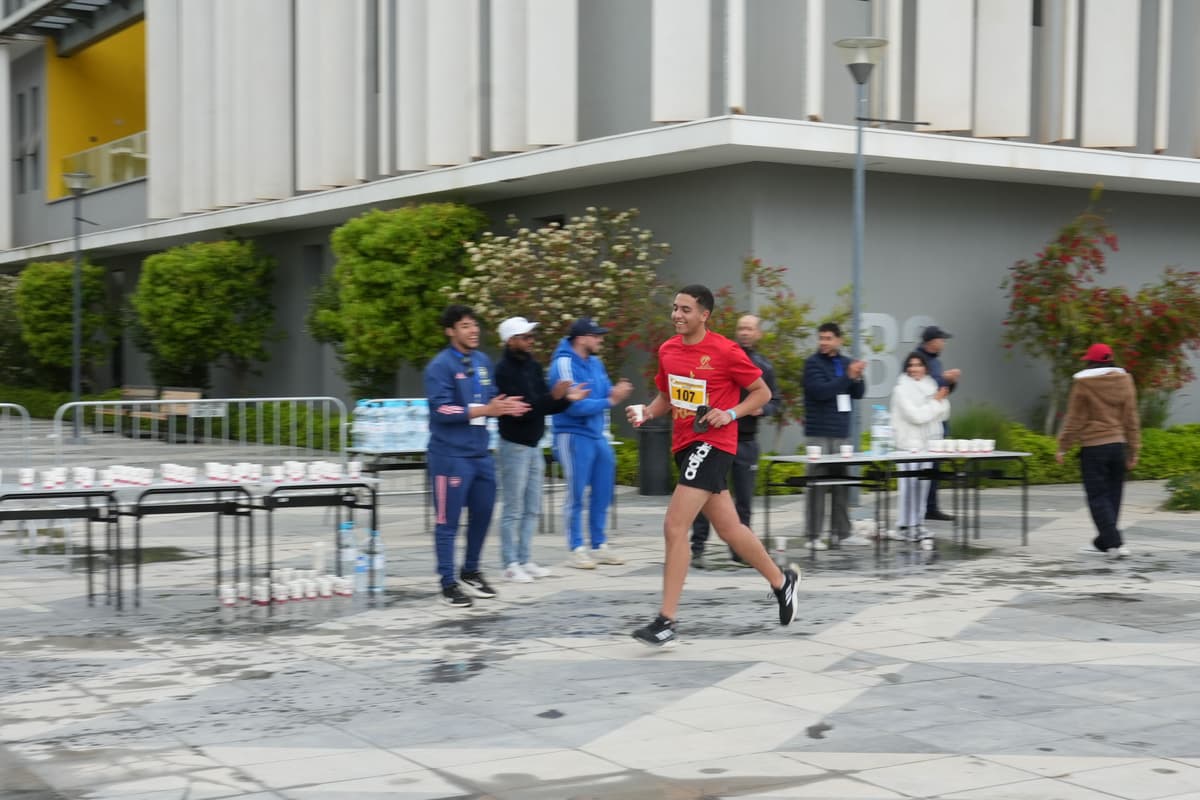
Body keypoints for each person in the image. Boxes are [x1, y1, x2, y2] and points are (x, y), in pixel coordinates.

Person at [626, 284, 800, 647]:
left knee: (675, 526)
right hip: (684, 445)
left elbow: (762, 394)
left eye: (685, 309)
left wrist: (730, 413)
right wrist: (646, 411)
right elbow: (666, 396)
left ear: (704, 315)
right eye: (675, 308)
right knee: (730, 529)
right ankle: (782, 582)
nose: (677, 315)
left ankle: (666, 621)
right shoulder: (668, 350)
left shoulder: (725, 350)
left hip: (713, 443)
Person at [424, 305, 530, 608]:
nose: (473, 331)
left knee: (483, 514)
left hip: (480, 453)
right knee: (448, 521)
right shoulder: (439, 366)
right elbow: (441, 409)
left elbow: (488, 396)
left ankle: (470, 570)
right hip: (449, 456)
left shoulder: (482, 361)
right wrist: (486, 410)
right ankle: (447, 582)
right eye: (465, 326)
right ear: (450, 331)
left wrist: (503, 404)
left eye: (475, 326)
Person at [494, 316, 590, 582]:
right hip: (514, 445)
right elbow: (522, 410)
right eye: (526, 337)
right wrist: (554, 398)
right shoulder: (503, 370)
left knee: (532, 507)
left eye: (531, 336)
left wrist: (565, 399)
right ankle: (509, 563)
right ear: (511, 341)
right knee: (513, 508)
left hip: (534, 444)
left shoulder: (533, 366)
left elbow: (543, 405)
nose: (531, 341)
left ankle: (525, 559)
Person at [690, 314, 781, 568]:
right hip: (715, 440)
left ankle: (740, 551)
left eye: (750, 329)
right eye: (741, 328)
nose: (744, 333)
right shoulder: (722, 359)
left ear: (758, 333)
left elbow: (774, 400)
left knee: (744, 500)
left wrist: (762, 409)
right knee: (704, 495)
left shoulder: (764, 367)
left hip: (745, 440)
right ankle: (697, 547)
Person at [548, 318, 633, 568]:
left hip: (597, 435)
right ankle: (576, 547)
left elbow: (607, 392)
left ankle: (599, 544)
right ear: (581, 338)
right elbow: (574, 406)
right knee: (576, 492)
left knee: (604, 490)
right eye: (596, 335)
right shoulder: (562, 364)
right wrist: (611, 400)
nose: (600, 339)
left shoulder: (595, 363)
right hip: (572, 435)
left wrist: (615, 392)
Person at [1056, 343, 1140, 559]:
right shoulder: (1125, 381)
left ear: (1091, 361)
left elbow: (1075, 418)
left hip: (1094, 448)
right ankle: (1102, 542)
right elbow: (1131, 418)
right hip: (1117, 446)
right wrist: (1134, 449)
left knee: (1097, 496)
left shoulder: (1084, 383)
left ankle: (1114, 543)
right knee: (1113, 495)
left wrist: (1063, 447)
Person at [802, 322, 869, 549]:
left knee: (842, 484)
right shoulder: (812, 364)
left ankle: (842, 533)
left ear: (839, 340)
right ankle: (813, 536)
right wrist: (847, 377)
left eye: (828, 338)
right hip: (819, 434)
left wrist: (858, 377)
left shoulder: (846, 362)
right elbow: (821, 392)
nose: (824, 342)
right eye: (821, 338)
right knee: (817, 485)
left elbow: (858, 394)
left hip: (842, 433)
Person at [889, 352, 951, 550]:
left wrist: (934, 404)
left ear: (925, 368)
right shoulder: (901, 389)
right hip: (907, 445)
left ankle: (918, 524)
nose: (914, 368)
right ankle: (904, 526)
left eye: (918, 365)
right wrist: (935, 403)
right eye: (911, 365)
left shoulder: (932, 385)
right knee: (908, 487)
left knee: (923, 486)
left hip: (928, 444)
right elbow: (915, 415)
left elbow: (945, 411)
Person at [912, 325, 961, 522]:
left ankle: (931, 507)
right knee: (922, 468)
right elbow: (921, 387)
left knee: (935, 466)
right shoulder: (916, 360)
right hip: (924, 422)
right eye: (942, 340)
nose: (944, 343)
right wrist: (944, 378)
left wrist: (951, 381)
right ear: (931, 341)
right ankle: (919, 508)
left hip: (938, 419)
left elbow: (942, 391)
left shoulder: (936, 361)